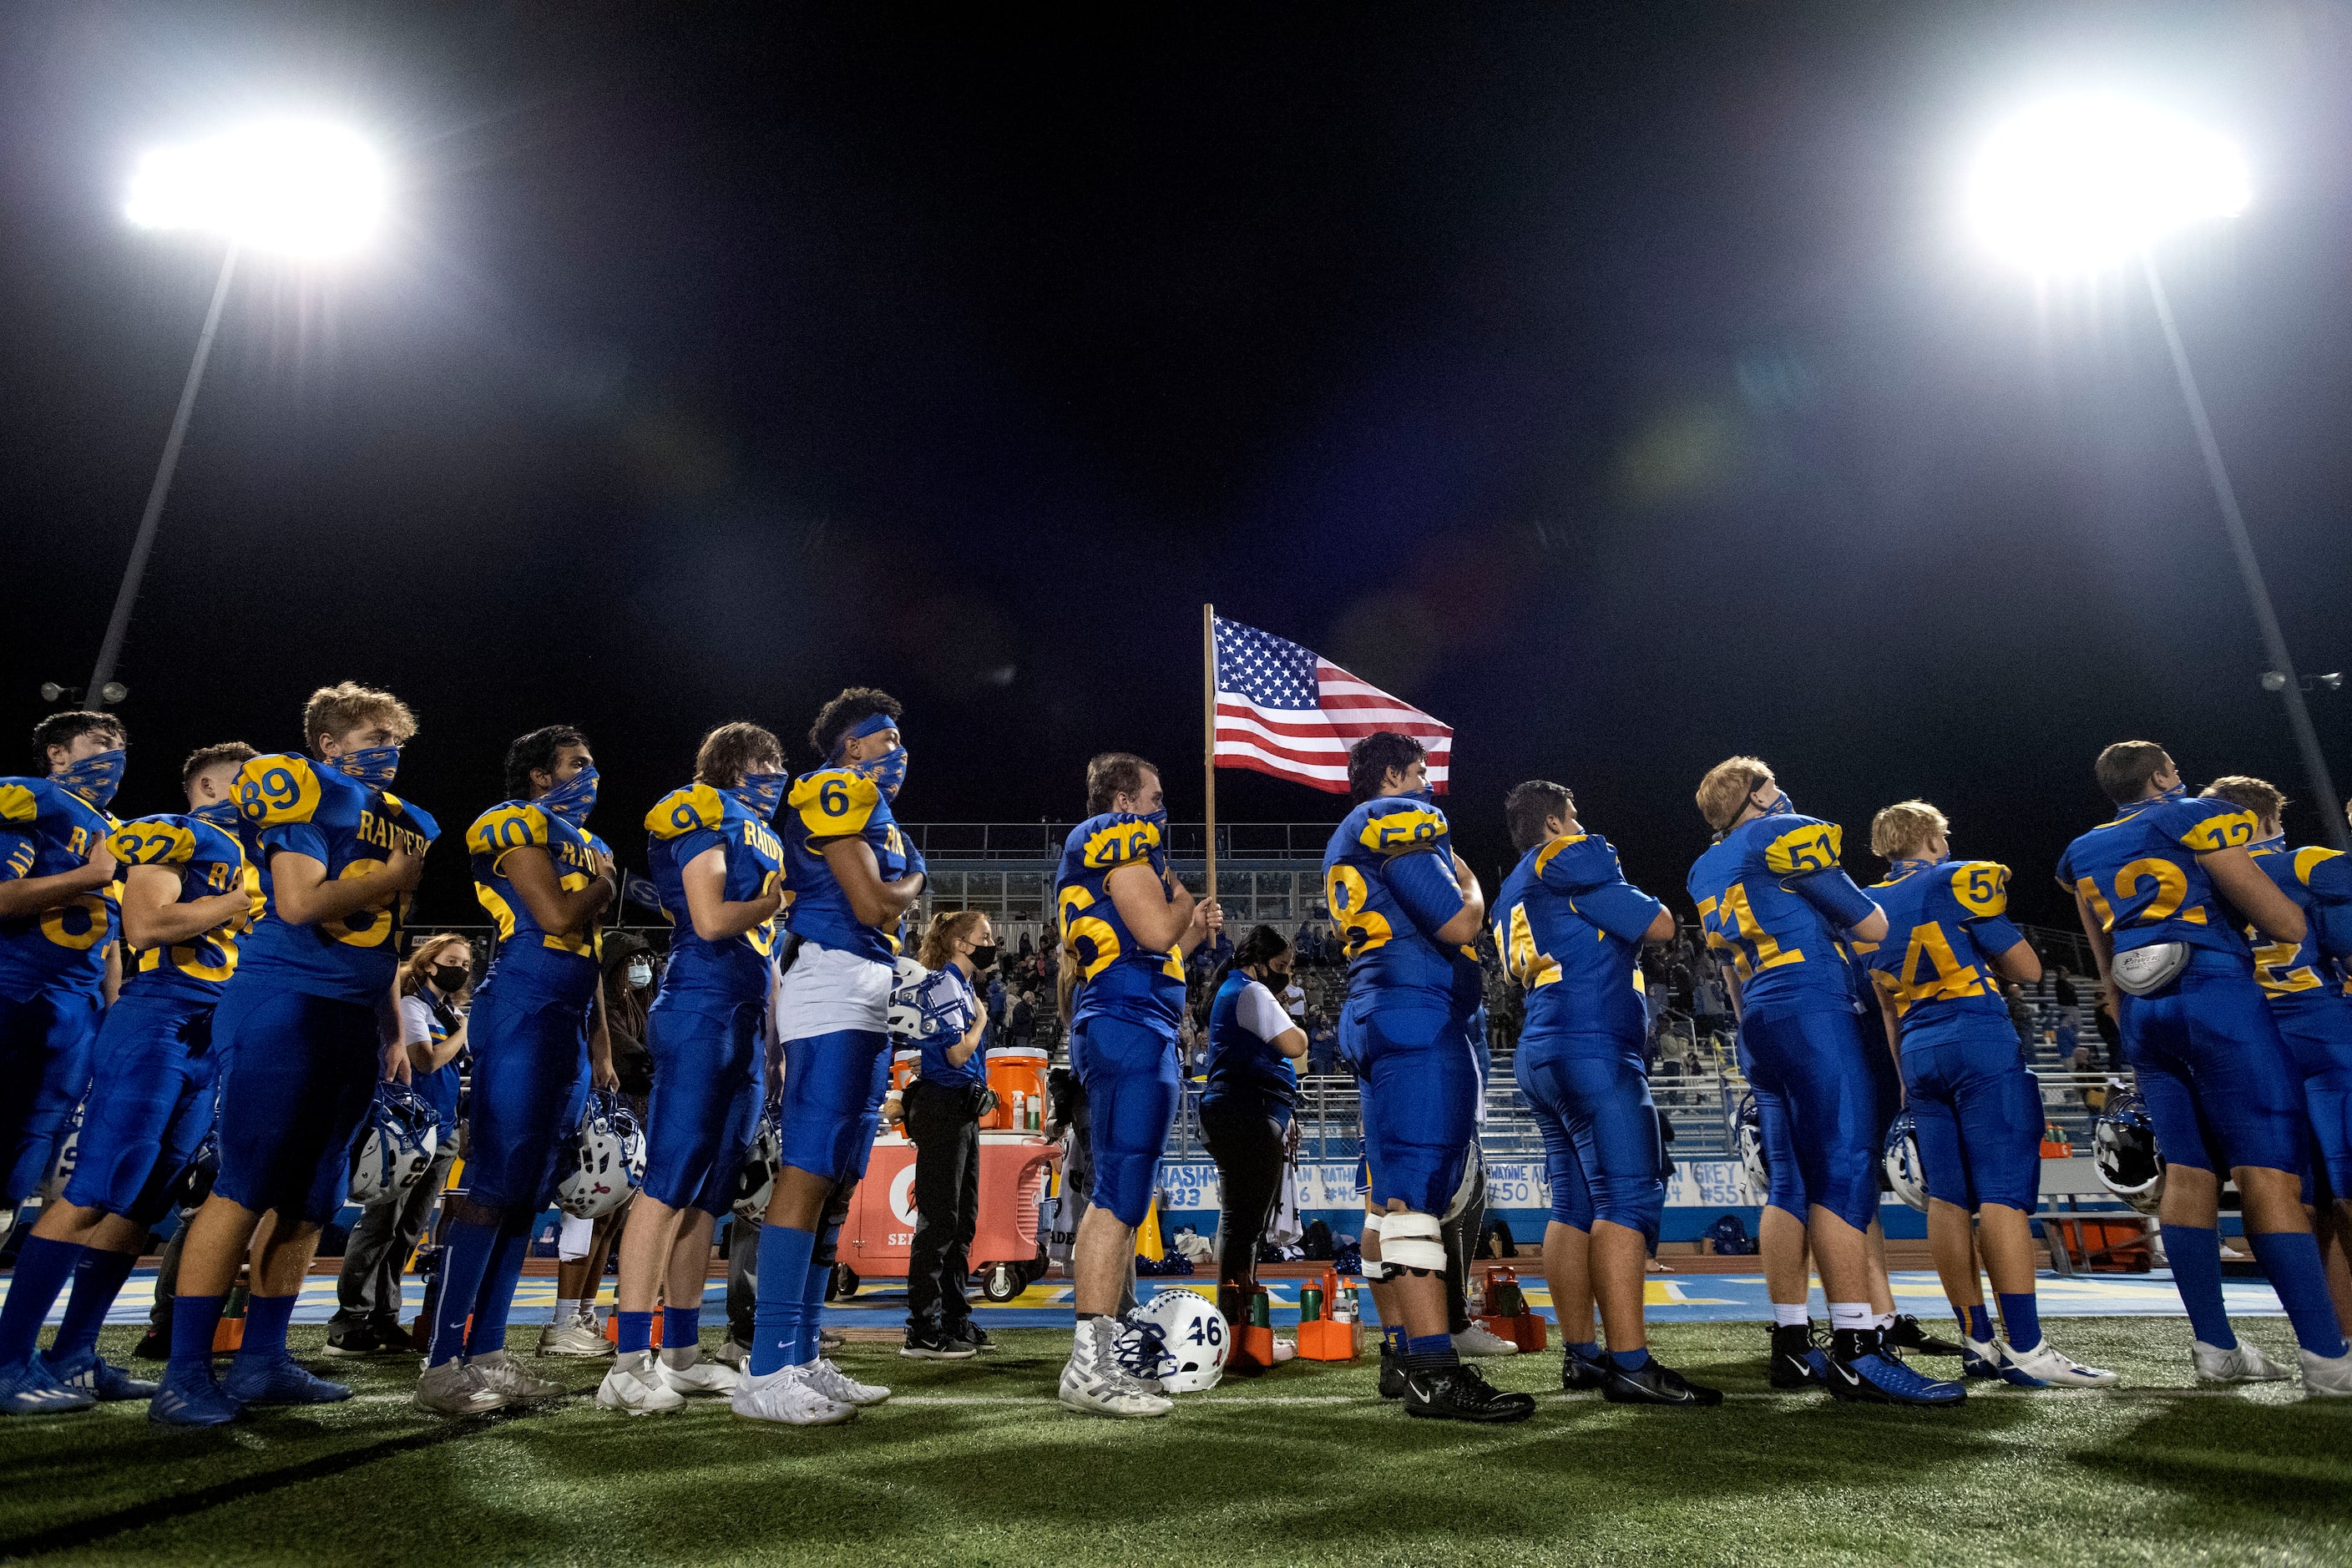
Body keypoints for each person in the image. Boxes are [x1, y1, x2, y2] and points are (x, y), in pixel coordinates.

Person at [152, 682, 436, 1426]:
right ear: (330, 743)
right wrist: (393, 876)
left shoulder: (405, 819)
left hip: (351, 1012)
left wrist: (389, 1030)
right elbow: (300, 903)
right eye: (373, 733)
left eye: (396, 738)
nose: (389, 748)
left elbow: (383, 938)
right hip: (285, 1001)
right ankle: (184, 1374)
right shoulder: (303, 786)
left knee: (313, 1198)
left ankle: (263, 1362)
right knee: (245, 1184)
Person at [2058, 741, 2347, 1393]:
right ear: (2162, 774)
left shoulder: (2083, 849)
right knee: (2266, 1175)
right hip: (2216, 999)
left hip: (2141, 1013)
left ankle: (2214, 1348)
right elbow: (2281, 922)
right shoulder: (2194, 815)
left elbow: (2103, 969)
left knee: (2187, 1173)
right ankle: (2326, 1358)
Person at [1688, 756, 1960, 1405]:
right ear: (1756, 797)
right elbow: (1871, 923)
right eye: (1772, 784)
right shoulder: (1785, 833)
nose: (1782, 793)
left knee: (1787, 1180)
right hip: (1813, 1011)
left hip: (1758, 1018)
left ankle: (1790, 1339)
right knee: (1841, 1170)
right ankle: (1857, 1349)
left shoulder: (1706, 866)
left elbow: (1727, 971)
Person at [0, 741, 253, 1414]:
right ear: (205, 783)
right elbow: (146, 925)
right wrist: (231, 907)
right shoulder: (177, 834)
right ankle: (6, 1361)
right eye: (244, 781)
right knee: (94, 1190)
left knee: (144, 1204)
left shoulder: (249, 854)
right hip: (156, 1024)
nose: (257, 795)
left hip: (206, 1036)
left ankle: (75, 1354)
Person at [1863, 801, 2115, 1387]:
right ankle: (2025, 1348)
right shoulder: (1957, 879)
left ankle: (1976, 1342)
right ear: (1929, 835)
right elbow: (2026, 969)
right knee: (2002, 1194)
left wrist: (1904, 1075)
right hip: (1975, 1038)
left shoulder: (1865, 904)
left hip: (1919, 1054)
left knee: (1948, 1199)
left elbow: (1885, 1006)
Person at [1328, 731, 1532, 1424]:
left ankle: (1401, 1354)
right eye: (1418, 773)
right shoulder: (1395, 821)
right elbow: (1455, 919)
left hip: (1381, 1008)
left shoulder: (1352, 836)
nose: (1427, 785)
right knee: (1417, 1198)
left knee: (1388, 1201)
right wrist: (1470, 879)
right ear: (1392, 774)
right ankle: (1432, 1371)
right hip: (1414, 1014)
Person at [417, 724, 618, 1416]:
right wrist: (603, 884)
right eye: (577, 763)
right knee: (493, 1183)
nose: (590, 774)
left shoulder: (592, 844)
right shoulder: (510, 822)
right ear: (539, 773)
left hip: (564, 1018)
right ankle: (442, 1361)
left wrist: (600, 1045)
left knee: (530, 1194)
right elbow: (559, 915)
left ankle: (489, 1352)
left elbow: (587, 951)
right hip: (523, 1004)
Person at [1495, 778, 1715, 1405]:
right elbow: (1661, 924)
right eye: (1574, 816)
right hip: (1592, 1045)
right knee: (1627, 1198)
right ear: (1556, 824)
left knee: (1571, 1205)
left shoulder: (1516, 884)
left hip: (1542, 1046)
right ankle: (1629, 1363)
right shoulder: (1570, 862)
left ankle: (1583, 1356)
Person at [736, 689, 923, 1426]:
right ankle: (766, 1367)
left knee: (841, 1177)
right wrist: (911, 883)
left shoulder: (869, 804)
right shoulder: (833, 790)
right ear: (851, 746)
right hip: (834, 980)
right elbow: (877, 905)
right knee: (809, 1170)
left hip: (862, 983)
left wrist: (899, 891)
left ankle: (804, 1351)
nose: (897, 751)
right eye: (884, 739)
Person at [599, 722, 784, 1415]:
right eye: (769, 763)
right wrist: (779, 897)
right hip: (701, 1004)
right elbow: (709, 919)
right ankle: (626, 1361)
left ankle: (679, 1352)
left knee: (709, 1195)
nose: (778, 776)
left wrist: (772, 1034)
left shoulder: (758, 830)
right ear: (738, 765)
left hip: (739, 1016)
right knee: (670, 1181)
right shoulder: (703, 807)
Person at [1052, 751, 1220, 1418]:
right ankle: (1087, 1363)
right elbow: (1154, 927)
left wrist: (1189, 928)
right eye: (1153, 794)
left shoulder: (1119, 851)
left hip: (1133, 1019)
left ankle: (1106, 1350)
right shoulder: (1119, 838)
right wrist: (1179, 901)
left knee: (1126, 1190)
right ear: (1123, 800)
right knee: (1119, 1192)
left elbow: (1154, 940)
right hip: (1124, 1022)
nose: (1160, 805)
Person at [2200, 776, 2352, 1345]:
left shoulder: (2200, 881)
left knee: (2294, 1202)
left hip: (2252, 1045)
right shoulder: (2309, 863)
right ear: (2271, 818)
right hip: (2325, 1034)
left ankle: (2329, 1343)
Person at [0, 711, 127, 1277]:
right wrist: (85, 877)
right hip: (15, 991)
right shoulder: (35, 800)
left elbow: (111, 935)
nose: (114, 754)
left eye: (120, 745)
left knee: (22, 1162)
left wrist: (115, 1008)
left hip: (78, 1009)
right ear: (57, 753)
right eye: (100, 742)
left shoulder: (116, 828)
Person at [328, 932, 469, 1358]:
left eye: (465, 962)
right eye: (452, 960)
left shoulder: (445, 1011)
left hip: (440, 1132)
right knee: (381, 1224)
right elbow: (426, 1060)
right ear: (428, 964)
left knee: (409, 1230)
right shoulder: (412, 1007)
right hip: (405, 1133)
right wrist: (464, 1033)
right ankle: (348, 1320)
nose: (460, 968)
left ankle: (384, 1318)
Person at [1198, 923, 1307, 1372]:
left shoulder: (1234, 990)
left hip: (1236, 1109)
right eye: (1281, 967)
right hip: (1245, 1110)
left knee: (1238, 1224)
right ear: (1259, 959)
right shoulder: (1252, 992)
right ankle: (1236, 1328)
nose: (1285, 976)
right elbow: (1296, 1045)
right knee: (1244, 1227)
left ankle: (1232, 1326)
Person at [900, 910, 999, 1358]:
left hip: (959, 1107)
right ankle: (923, 1328)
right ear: (961, 943)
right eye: (985, 936)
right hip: (943, 1104)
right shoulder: (944, 985)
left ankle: (955, 1318)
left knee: (962, 1220)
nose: (991, 943)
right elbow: (958, 1054)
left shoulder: (959, 987)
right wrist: (979, 1021)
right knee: (940, 1220)